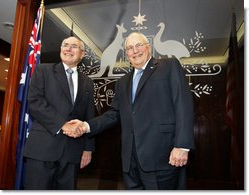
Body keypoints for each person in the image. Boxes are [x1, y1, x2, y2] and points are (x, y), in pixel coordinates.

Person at [65, 32, 194, 190]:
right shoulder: (123, 82)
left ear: (148, 47)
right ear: (126, 54)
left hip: (162, 157)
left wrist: (182, 146)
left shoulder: (168, 66)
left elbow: (183, 104)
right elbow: (114, 114)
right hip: (130, 162)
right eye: (130, 48)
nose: (135, 51)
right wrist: (86, 126)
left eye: (139, 45)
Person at [23, 36, 95, 190]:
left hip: (72, 151)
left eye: (74, 46)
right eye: (65, 45)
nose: (68, 49)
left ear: (82, 54)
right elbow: (35, 102)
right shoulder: (43, 70)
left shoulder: (88, 82)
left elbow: (89, 115)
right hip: (42, 149)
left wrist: (88, 148)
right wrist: (62, 125)